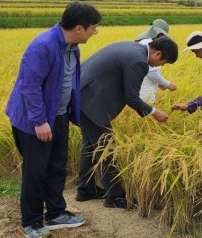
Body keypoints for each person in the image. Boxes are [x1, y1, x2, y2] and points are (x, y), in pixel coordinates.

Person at [5, 2, 101, 238]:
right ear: (79, 28)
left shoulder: (72, 48)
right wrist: (39, 121)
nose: (93, 33)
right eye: (93, 29)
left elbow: (68, 82)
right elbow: (29, 86)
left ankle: (56, 214)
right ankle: (32, 221)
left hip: (58, 117)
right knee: (36, 171)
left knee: (57, 166)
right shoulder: (43, 46)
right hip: (34, 121)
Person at [76, 36, 179, 208]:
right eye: (163, 62)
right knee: (107, 147)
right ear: (158, 53)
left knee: (90, 145)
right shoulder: (139, 61)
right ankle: (115, 197)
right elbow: (131, 97)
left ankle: (85, 189)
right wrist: (154, 112)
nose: (159, 66)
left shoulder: (131, 48)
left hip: (82, 96)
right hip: (91, 103)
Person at [135, 19, 177, 104]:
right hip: (145, 89)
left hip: (139, 84)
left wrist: (159, 84)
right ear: (159, 34)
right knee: (145, 111)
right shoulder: (151, 45)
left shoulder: (143, 42)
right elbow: (152, 73)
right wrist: (168, 85)